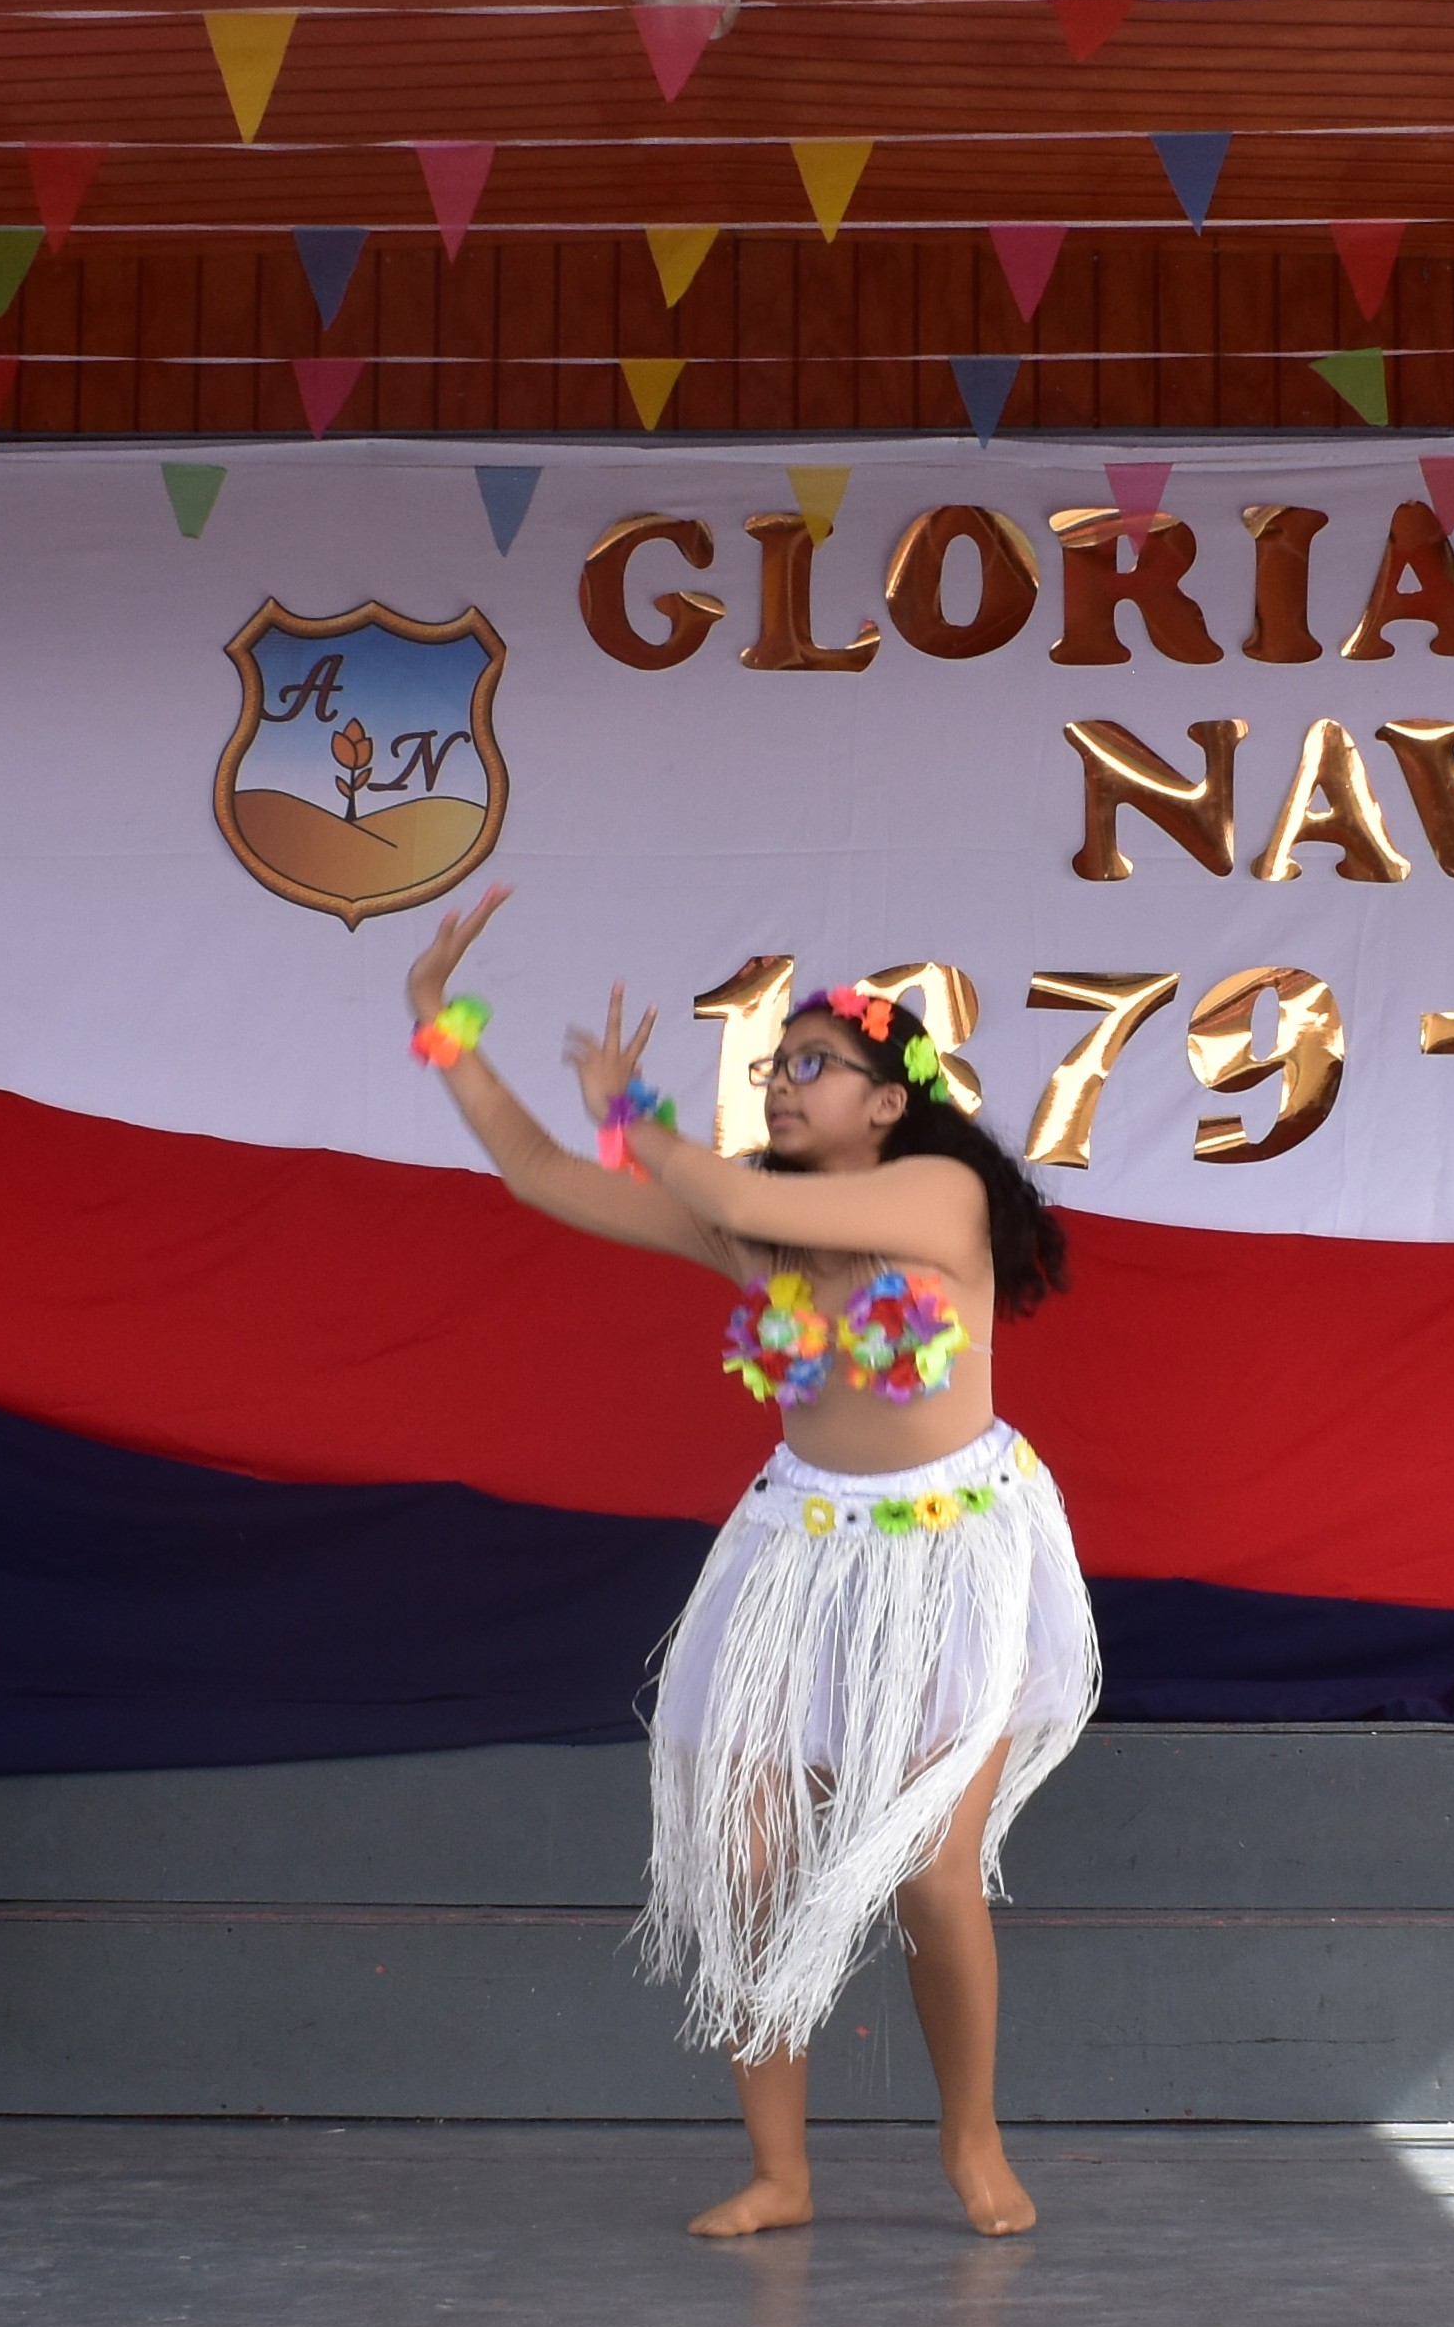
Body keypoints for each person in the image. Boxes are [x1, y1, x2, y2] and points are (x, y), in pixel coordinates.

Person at [404, 888, 1098, 2236]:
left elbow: (707, 1176)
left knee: (931, 1871)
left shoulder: (941, 1193)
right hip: (798, 1552)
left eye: (812, 1064)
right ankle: (781, 2170)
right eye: (775, 1063)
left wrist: (632, 1109)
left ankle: (971, 2135)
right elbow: (538, 1173)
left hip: (953, 1559)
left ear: (888, 1101)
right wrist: (443, 1027)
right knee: (746, 1860)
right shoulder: (763, 1228)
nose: (782, 1080)